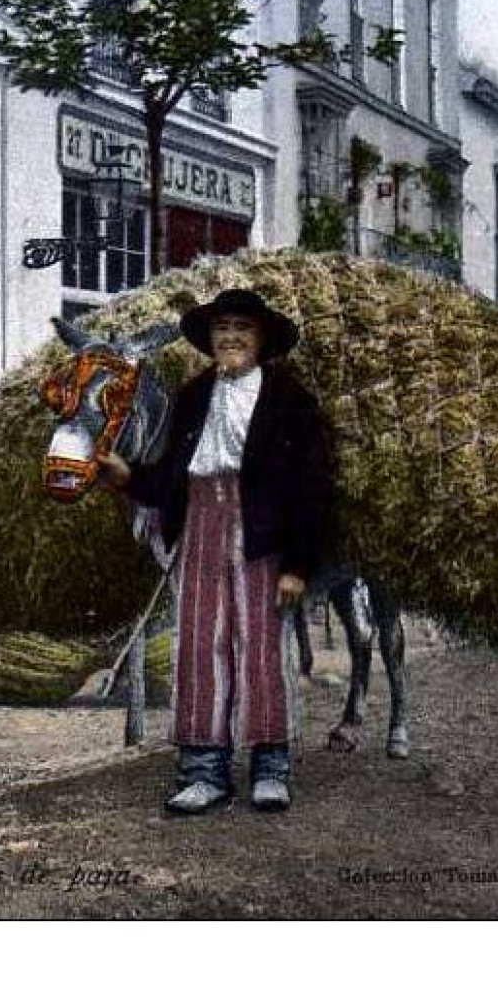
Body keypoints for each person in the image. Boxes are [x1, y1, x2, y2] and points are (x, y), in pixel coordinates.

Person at [99, 289, 334, 814]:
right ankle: (204, 773)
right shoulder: (195, 395)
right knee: (200, 646)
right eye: (222, 328)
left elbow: (311, 486)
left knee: (262, 646)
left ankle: (270, 769)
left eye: (242, 329)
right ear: (209, 339)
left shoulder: (288, 399)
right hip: (202, 526)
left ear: (262, 339)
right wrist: (127, 477)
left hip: (263, 533)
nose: (230, 338)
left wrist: (296, 565)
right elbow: (170, 480)